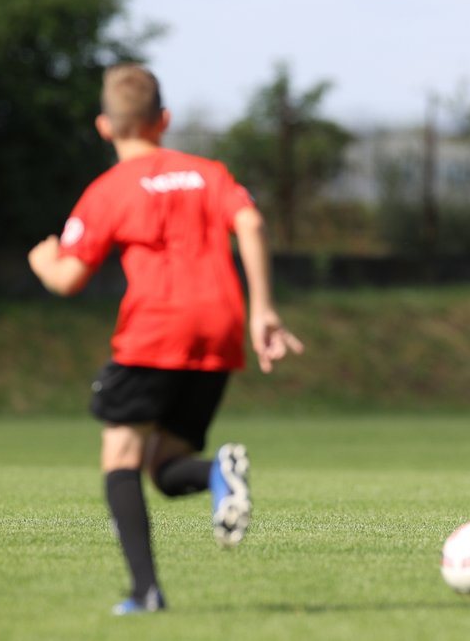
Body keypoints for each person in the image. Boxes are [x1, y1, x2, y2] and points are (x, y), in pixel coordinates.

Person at [28, 63, 304, 614]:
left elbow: (68, 278)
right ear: (165, 120)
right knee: (165, 468)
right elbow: (249, 223)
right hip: (220, 332)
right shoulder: (208, 173)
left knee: (120, 458)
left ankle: (145, 593)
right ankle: (218, 473)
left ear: (105, 127)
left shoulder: (109, 190)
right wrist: (264, 310)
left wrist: (42, 260)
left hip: (156, 329)